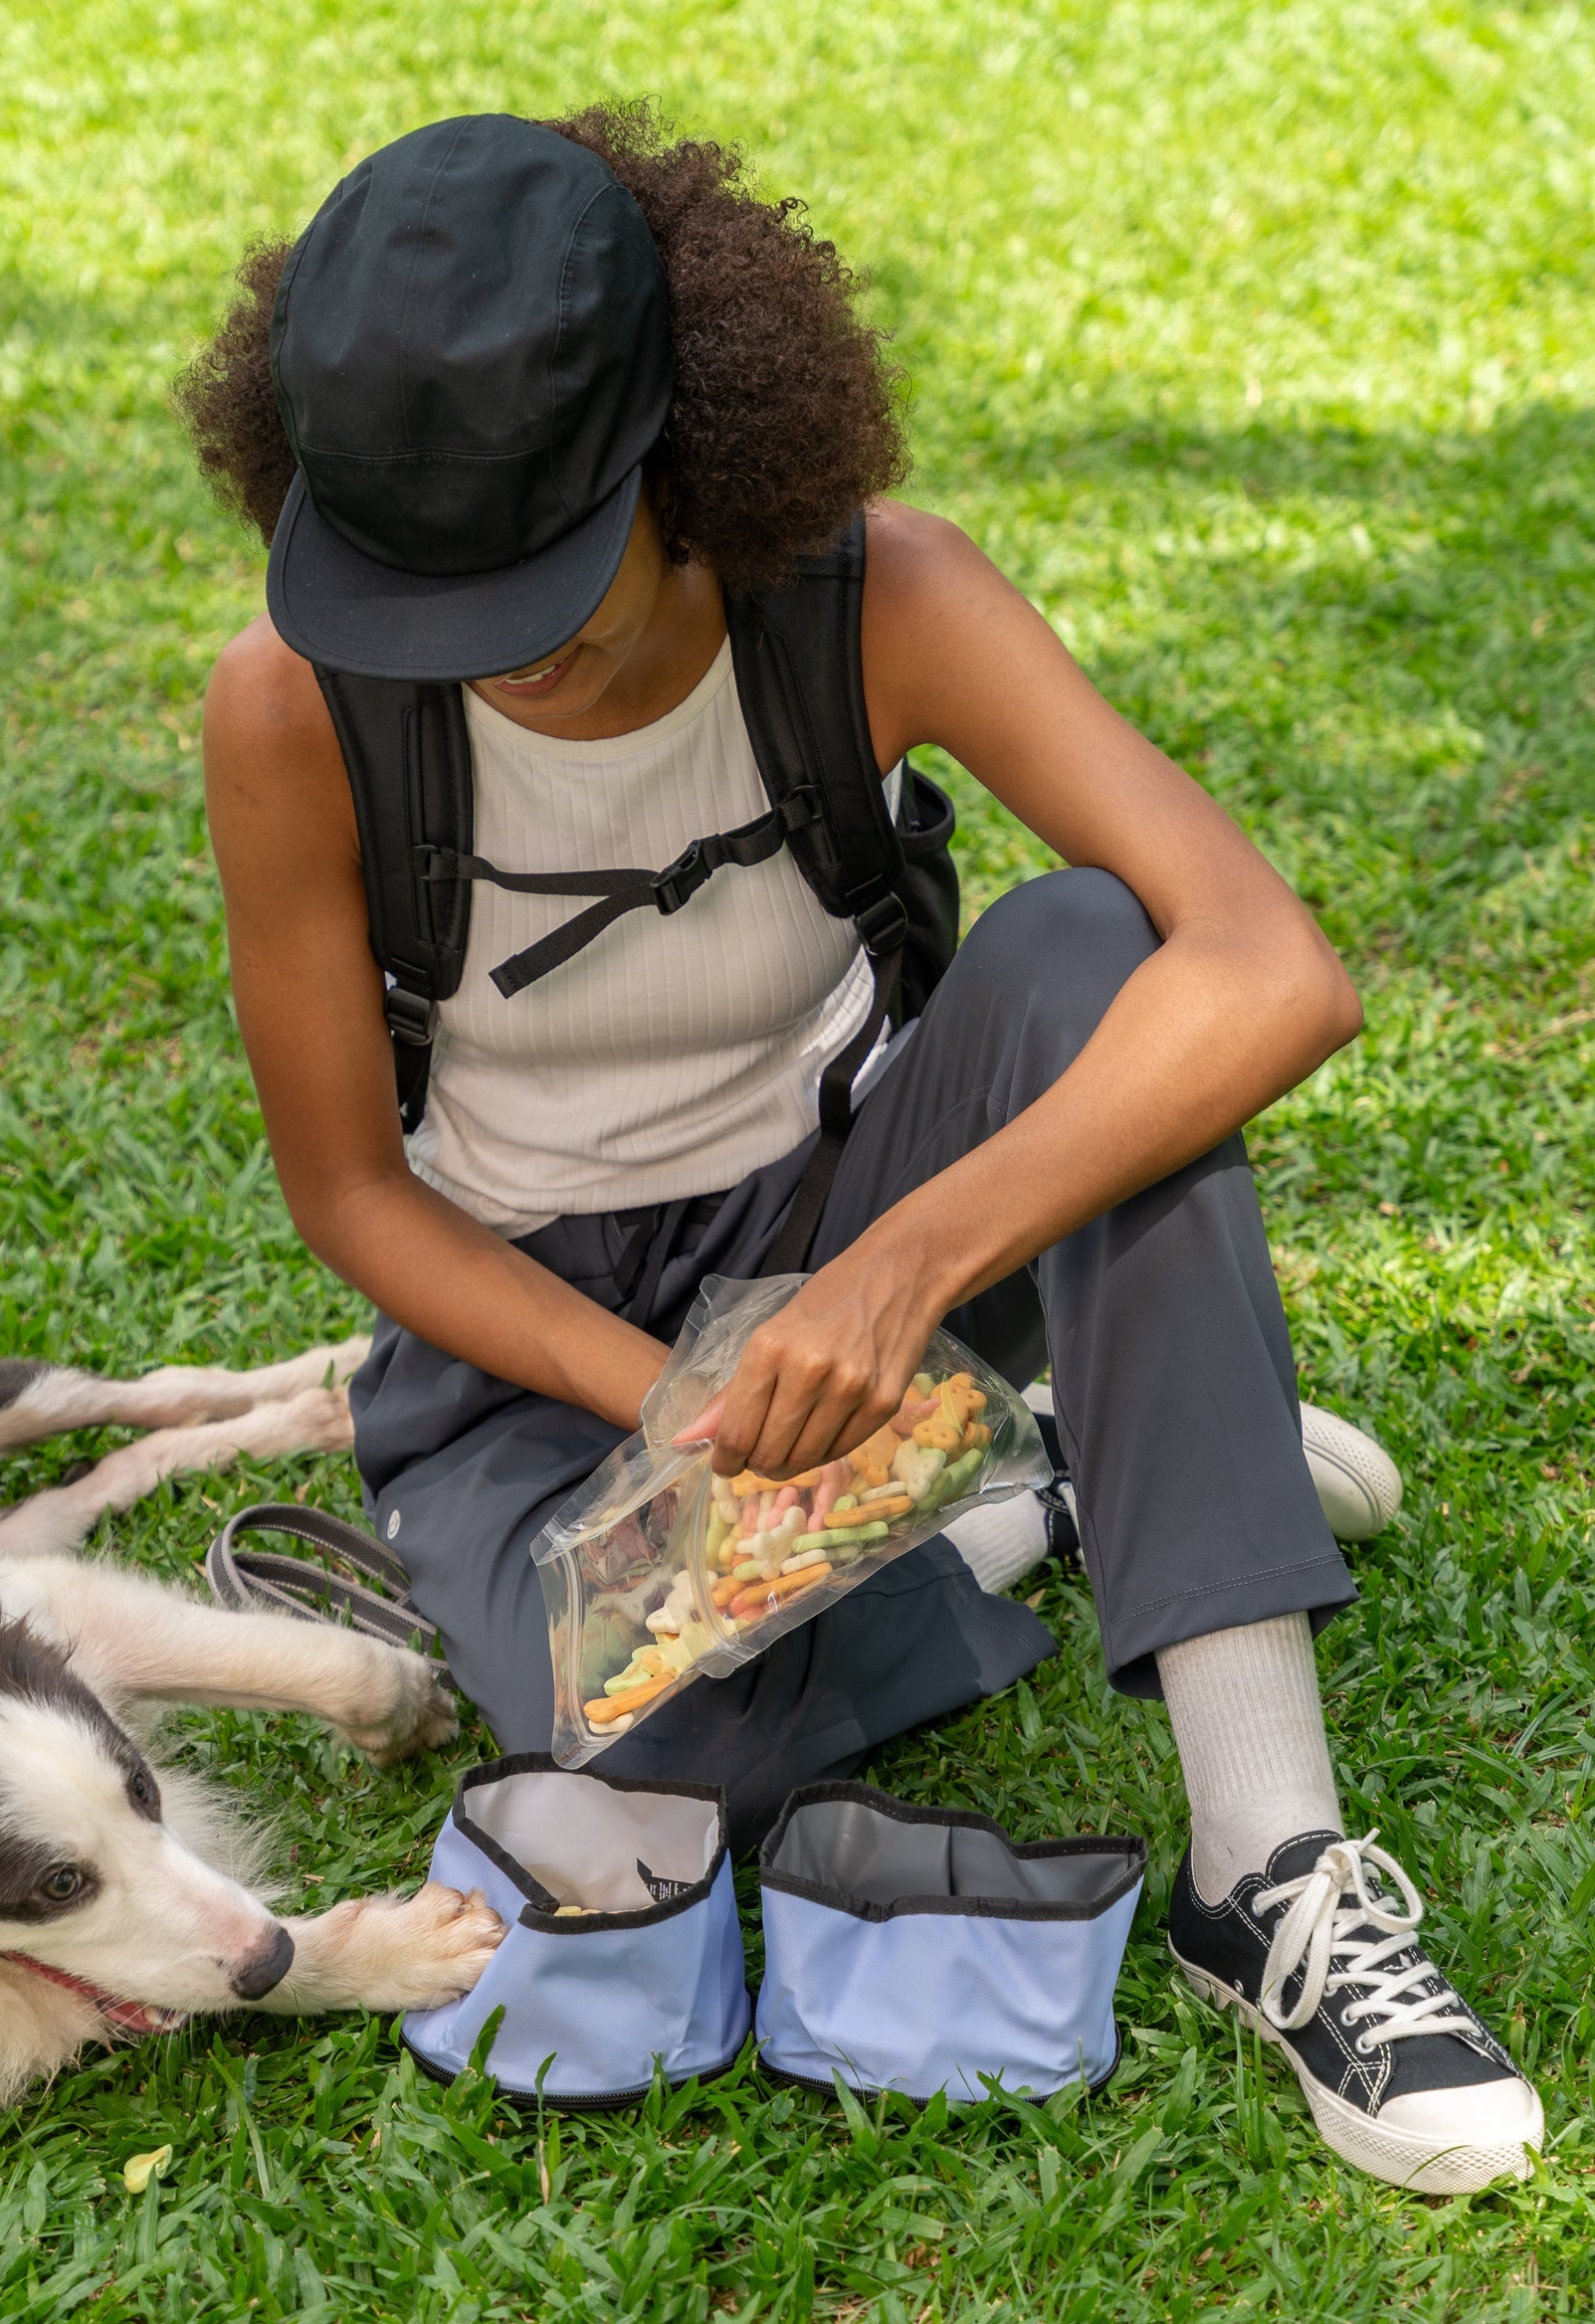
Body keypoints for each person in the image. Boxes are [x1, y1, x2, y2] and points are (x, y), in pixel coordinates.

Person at [180, 103, 1541, 2190]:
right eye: (419, 587)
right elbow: (351, 1194)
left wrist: (888, 1276)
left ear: (685, 449)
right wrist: (671, 1399)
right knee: (634, 1753)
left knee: (1109, 961)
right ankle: (1027, 1491)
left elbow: (1272, 969)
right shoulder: (294, 709)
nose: (481, 645)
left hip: (862, 1203)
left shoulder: (874, 595)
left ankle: (1261, 1863)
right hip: (537, 1346)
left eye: (535, 573)